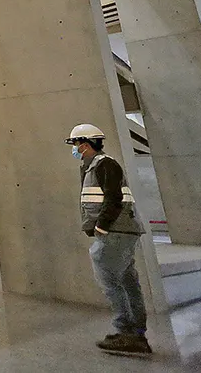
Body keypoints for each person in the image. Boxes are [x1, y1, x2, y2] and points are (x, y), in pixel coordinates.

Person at [66, 124, 150, 355]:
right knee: (127, 282)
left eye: (75, 144)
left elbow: (113, 198)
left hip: (115, 232)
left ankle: (127, 332)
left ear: (84, 144)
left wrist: (101, 228)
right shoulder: (94, 166)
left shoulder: (105, 164)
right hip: (121, 232)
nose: (74, 149)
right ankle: (136, 334)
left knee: (112, 282)